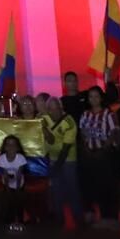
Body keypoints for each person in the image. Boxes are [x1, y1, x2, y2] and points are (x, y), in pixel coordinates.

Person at [78, 85, 120, 229]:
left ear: (101, 98)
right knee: (90, 184)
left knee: (106, 185)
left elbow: (114, 133)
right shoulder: (85, 114)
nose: (93, 99)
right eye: (90, 96)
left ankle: (109, 216)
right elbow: (83, 133)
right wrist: (87, 149)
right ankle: (91, 213)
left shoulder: (109, 114)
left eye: (96, 96)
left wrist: (104, 149)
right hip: (90, 153)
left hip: (104, 154)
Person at [42, 95, 82, 229]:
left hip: (68, 159)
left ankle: (78, 219)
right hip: (52, 159)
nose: (54, 112)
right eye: (51, 109)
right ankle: (60, 219)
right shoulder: (44, 119)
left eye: (56, 109)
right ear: (47, 110)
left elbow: (66, 149)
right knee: (56, 191)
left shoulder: (69, 122)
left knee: (72, 190)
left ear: (61, 108)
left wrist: (55, 167)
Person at [0, 134, 28, 233]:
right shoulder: (2, 158)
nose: (10, 147)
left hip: (19, 183)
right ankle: (8, 219)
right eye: (8, 145)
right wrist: (8, 188)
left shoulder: (20, 158)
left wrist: (17, 189)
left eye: (13, 145)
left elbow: (19, 174)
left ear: (17, 148)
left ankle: (20, 219)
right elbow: (5, 174)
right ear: (4, 147)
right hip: (7, 183)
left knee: (19, 199)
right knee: (8, 200)